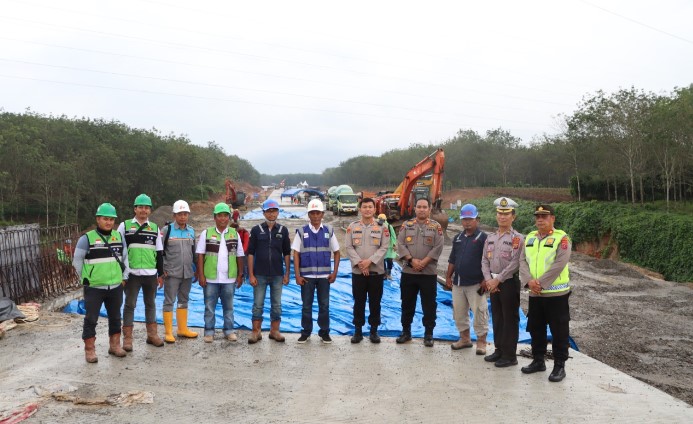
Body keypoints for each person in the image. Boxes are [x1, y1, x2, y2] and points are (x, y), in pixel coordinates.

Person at [519, 204, 572, 383]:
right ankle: (538, 360)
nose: (540, 220)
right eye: (538, 216)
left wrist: (540, 283)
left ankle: (559, 366)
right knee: (536, 328)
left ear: (552, 219)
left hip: (556, 295)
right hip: (535, 294)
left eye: (544, 216)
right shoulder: (530, 238)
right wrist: (529, 282)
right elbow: (522, 261)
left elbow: (560, 263)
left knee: (559, 331)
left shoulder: (561, 238)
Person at [72, 203, 128, 363]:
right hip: (94, 287)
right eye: (105, 219)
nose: (109, 222)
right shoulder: (86, 239)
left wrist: (124, 278)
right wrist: (85, 278)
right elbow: (77, 261)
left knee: (116, 317)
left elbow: (125, 259)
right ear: (98, 219)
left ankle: (115, 345)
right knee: (91, 318)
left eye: (111, 219)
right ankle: (90, 350)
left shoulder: (119, 237)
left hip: (116, 286)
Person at [118, 193, 164, 351]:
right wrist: (122, 273)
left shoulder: (155, 228)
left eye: (146, 207)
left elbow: (159, 252)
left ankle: (152, 335)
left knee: (150, 304)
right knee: (130, 305)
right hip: (132, 274)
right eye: (140, 207)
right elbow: (118, 251)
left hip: (150, 274)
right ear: (135, 209)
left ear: (150, 210)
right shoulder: (124, 226)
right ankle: (128, 339)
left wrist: (161, 274)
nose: (143, 210)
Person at [481, 197, 524, 367]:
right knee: (497, 317)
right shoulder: (490, 238)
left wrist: (497, 280)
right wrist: (489, 280)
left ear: (513, 217)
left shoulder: (517, 238)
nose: (502, 217)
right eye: (500, 213)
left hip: (508, 283)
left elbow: (515, 263)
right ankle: (499, 350)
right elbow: (484, 260)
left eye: (506, 214)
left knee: (510, 318)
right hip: (493, 282)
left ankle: (509, 355)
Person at [396, 198, 445, 347]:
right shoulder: (406, 225)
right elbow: (400, 244)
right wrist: (412, 261)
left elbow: (438, 246)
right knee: (407, 303)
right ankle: (406, 331)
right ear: (415, 209)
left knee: (429, 305)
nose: (422, 209)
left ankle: (428, 334)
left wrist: (424, 262)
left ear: (429, 209)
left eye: (425, 207)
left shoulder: (436, 227)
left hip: (428, 273)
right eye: (419, 207)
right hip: (409, 272)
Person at [292, 199, 340, 343]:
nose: (315, 216)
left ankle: (324, 332)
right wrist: (297, 275)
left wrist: (335, 272)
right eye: (312, 213)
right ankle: (306, 332)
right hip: (307, 277)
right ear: (308, 214)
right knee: (306, 306)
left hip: (325, 277)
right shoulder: (301, 232)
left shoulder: (329, 231)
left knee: (324, 306)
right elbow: (295, 253)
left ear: (322, 214)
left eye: (317, 213)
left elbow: (337, 252)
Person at [196, 202, 245, 342]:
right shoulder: (207, 233)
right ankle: (209, 331)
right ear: (214, 217)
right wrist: (201, 275)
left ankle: (229, 330)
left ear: (229, 218)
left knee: (228, 307)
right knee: (209, 307)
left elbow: (240, 255)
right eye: (220, 216)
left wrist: (240, 274)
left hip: (229, 279)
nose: (223, 218)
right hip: (210, 279)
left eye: (225, 216)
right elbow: (200, 254)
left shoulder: (234, 234)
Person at [345, 197, 390, 344]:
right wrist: (360, 263)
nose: (367, 209)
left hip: (376, 272)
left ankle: (373, 331)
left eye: (370, 207)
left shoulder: (382, 227)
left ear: (375, 209)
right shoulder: (352, 226)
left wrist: (369, 262)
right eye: (364, 207)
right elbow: (349, 247)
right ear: (360, 209)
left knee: (375, 302)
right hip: (358, 273)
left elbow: (384, 247)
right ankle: (357, 330)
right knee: (359, 301)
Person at [445, 203, 489, 354]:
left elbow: (488, 261)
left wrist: (485, 279)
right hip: (458, 284)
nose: (467, 222)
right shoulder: (458, 238)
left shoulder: (484, 239)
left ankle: (482, 343)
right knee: (459, 312)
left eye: (470, 219)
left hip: (476, 284)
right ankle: (465, 339)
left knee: (479, 312)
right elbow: (452, 259)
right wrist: (448, 276)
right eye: (464, 219)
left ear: (477, 219)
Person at [246, 199, 291, 344]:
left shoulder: (283, 230)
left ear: (278, 212)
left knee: (276, 304)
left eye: (274, 211)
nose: (271, 214)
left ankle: (274, 331)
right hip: (260, 274)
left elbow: (287, 253)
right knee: (258, 303)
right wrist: (251, 274)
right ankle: (256, 332)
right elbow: (251, 253)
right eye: (269, 211)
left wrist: (287, 273)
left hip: (278, 274)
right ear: (264, 212)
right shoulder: (256, 230)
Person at [161, 200, 198, 343]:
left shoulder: (191, 231)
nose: (183, 217)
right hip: (171, 273)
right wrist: (162, 270)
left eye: (185, 214)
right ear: (174, 215)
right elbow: (160, 252)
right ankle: (168, 332)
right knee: (169, 301)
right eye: (180, 214)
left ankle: (182, 329)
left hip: (187, 273)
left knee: (183, 301)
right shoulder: (167, 231)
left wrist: (198, 270)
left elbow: (194, 253)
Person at [377, 213, 397, 280]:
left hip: (389, 247)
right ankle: (384, 274)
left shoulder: (389, 226)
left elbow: (393, 236)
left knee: (389, 261)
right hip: (381, 247)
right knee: (382, 261)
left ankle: (388, 274)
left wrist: (394, 245)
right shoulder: (376, 226)